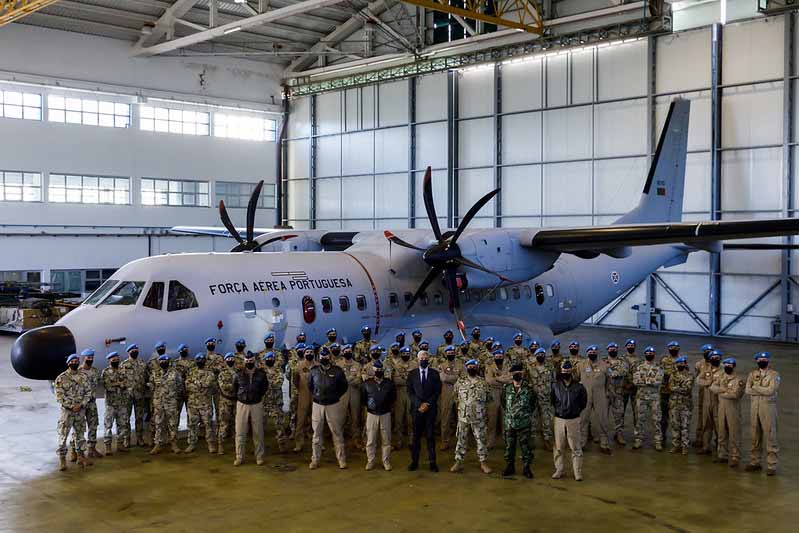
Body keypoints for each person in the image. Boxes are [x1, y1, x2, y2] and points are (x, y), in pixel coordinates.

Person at [308, 348, 349, 469]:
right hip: (318, 405)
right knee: (316, 433)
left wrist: (334, 396)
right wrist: (317, 395)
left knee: (337, 432)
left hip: (333, 405)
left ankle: (341, 459)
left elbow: (343, 387)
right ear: (319, 357)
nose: (324, 359)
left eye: (326, 357)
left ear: (330, 358)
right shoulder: (314, 371)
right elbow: (310, 386)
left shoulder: (337, 371)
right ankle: (315, 460)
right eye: (322, 357)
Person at [451, 359, 492, 474]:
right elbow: (455, 397)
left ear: (477, 368)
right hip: (463, 417)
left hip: (479, 417)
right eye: (469, 366)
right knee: (461, 440)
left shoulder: (483, 383)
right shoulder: (460, 382)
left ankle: (483, 462)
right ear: (466, 368)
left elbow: (489, 399)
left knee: (481, 440)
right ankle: (458, 462)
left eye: (474, 366)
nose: (472, 368)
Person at [745, 352, 780, 476]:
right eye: (760, 359)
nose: (762, 361)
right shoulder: (752, 374)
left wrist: (756, 387)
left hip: (768, 408)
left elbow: (771, 391)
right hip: (754, 408)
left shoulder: (774, 375)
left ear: (768, 361)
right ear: (757, 361)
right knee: (755, 435)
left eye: (764, 359)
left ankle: (772, 465)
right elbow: (747, 390)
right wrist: (760, 390)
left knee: (770, 435)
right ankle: (755, 462)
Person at [551, 361, 587, 481]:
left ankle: (577, 472)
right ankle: (559, 470)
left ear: (572, 371)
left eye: (568, 370)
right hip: (559, 419)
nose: (566, 373)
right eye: (563, 371)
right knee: (559, 447)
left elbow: (583, 403)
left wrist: (574, 411)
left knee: (576, 447)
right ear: (561, 371)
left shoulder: (579, 386)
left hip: (573, 420)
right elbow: (553, 401)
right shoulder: (555, 386)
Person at [55, 354, 92, 470]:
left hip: (80, 411)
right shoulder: (61, 378)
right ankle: (62, 460)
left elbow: (88, 392)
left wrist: (81, 404)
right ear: (68, 363)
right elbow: (59, 396)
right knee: (63, 436)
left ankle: (81, 457)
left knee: (80, 436)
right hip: (67, 413)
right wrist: (71, 406)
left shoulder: (83, 377)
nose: (75, 363)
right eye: (72, 361)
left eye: (76, 361)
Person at [232, 352, 269, 466]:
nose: (249, 363)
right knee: (240, 432)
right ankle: (239, 457)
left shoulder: (261, 374)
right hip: (242, 404)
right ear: (244, 361)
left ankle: (259, 457)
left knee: (258, 432)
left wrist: (257, 397)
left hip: (256, 404)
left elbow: (264, 388)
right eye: (247, 361)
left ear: (255, 361)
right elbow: (235, 388)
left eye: (251, 360)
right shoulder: (238, 374)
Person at [407, 350, 441, 472]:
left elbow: (437, 391)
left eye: (425, 358)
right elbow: (410, 392)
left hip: (430, 410)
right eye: (421, 358)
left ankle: (432, 462)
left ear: (429, 359)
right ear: (417, 359)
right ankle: (414, 461)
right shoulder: (412, 374)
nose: (423, 360)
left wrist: (427, 403)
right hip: (416, 410)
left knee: (431, 436)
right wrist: (419, 404)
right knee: (416, 437)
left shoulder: (435, 374)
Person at [502, 363, 536, 479]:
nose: (517, 375)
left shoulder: (529, 388)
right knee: (509, 446)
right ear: (511, 374)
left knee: (526, 446)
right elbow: (503, 403)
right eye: (515, 373)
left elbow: (533, 404)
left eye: (519, 373)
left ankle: (526, 467)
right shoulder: (506, 388)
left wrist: (524, 414)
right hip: (510, 423)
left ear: (523, 373)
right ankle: (510, 466)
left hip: (524, 422)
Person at [361, 360, 397, 471]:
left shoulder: (389, 383)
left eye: (381, 370)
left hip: (385, 414)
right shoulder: (367, 383)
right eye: (377, 370)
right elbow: (363, 399)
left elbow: (393, 398)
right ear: (373, 371)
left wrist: (386, 405)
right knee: (371, 440)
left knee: (386, 440)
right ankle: (370, 461)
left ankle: (385, 461)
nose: (379, 372)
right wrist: (370, 406)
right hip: (372, 414)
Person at [711, 357, 745, 467]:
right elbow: (712, 387)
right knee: (721, 432)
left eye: (730, 365)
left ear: (733, 366)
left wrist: (721, 392)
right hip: (722, 408)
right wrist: (725, 390)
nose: (727, 367)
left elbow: (736, 395)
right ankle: (722, 455)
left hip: (733, 410)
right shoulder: (721, 377)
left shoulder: (738, 380)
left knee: (734, 434)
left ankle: (735, 457)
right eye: (726, 365)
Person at [577, 345, 611, 454]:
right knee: (583, 419)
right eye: (590, 350)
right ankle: (581, 443)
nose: (593, 352)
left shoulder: (604, 365)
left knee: (602, 419)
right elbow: (576, 379)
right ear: (587, 352)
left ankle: (604, 444)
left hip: (600, 395)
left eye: (595, 351)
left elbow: (609, 381)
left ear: (598, 353)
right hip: (585, 395)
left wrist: (606, 393)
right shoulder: (581, 365)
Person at [148, 353, 183, 455]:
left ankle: (174, 444)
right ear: (159, 363)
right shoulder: (155, 373)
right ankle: (158, 444)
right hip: (159, 403)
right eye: (162, 362)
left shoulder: (175, 373)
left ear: (169, 362)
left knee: (173, 424)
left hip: (171, 403)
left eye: (166, 361)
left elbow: (180, 387)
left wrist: (173, 396)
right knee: (158, 424)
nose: (164, 363)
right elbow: (151, 386)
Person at [632, 346, 664, 451]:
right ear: (645, 354)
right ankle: (638, 440)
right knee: (639, 420)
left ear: (654, 355)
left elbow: (658, 381)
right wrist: (650, 380)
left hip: (654, 398)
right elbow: (636, 381)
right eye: (648, 353)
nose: (650, 355)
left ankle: (658, 441)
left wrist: (644, 380)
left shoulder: (659, 367)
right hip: (641, 397)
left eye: (651, 353)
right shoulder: (639, 367)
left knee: (656, 420)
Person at [184, 353, 217, 454]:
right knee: (192, 425)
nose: (200, 361)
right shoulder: (191, 372)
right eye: (198, 360)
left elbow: (208, 384)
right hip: (193, 404)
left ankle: (210, 444)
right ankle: (192, 444)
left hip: (205, 404)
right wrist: (200, 385)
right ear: (196, 361)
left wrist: (195, 384)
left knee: (208, 424)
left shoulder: (210, 373)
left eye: (202, 360)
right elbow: (187, 385)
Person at [72, 348, 101, 460]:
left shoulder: (95, 371)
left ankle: (91, 448)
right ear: (83, 358)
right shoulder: (77, 371)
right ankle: (74, 450)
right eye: (88, 358)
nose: (90, 359)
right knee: (78, 428)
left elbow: (96, 384)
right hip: (80, 404)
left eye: (92, 358)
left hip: (92, 403)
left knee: (93, 425)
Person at [101, 351, 130, 455]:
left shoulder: (123, 370)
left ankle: (120, 444)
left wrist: (117, 384)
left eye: (117, 360)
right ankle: (108, 446)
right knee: (108, 425)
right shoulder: (106, 372)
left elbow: (127, 383)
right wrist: (119, 384)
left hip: (122, 402)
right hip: (111, 404)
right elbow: (108, 386)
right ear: (109, 361)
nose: (116, 361)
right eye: (113, 360)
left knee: (122, 424)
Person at [435, 344, 462, 451]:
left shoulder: (461, 365)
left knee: (461, 419)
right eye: (448, 353)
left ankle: (462, 442)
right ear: (445, 354)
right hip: (446, 393)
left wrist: (448, 378)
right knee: (445, 419)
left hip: (459, 392)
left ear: (455, 353)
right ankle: (445, 442)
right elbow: (442, 378)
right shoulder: (441, 365)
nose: (450, 354)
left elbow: (463, 378)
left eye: (452, 353)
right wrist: (455, 377)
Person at [526, 347, 554, 450]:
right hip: (533, 397)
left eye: (543, 354)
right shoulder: (530, 367)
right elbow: (526, 381)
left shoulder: (550, 367)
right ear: (535, 356)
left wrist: (553, 395)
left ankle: (547, 440)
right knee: (532, 419)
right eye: (539, 354)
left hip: (546, 397)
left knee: (546, 419)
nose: (541, 356)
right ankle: (532, 440)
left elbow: (553, 382)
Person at [261, 351, 288, 453]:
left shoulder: (278, 371)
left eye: (271, 359)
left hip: (276, 403)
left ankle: (282, 445)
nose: (269, 360)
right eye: (267, 359)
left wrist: (265, 384)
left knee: (279, 425)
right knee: (260, 426)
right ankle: (260, 446)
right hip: (263, 403)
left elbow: (278, 383)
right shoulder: (262, 371)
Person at [485, 348, 512, 450]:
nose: (499, 358)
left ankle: (507, 442)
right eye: (497, 357)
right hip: (493, 393)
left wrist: (496, 378)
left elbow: (510, 380)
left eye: (500, 357)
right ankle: (490, 442)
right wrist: (501, 379)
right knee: (492, 418)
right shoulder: (489, 367)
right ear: (494, 357)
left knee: (505, 418)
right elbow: (489, 381)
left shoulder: (508, 366)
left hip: (505, 393)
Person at [121, 344, 147, 447]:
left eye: (136, 350)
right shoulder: (124, 365)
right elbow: (120, 378)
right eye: (133, 350)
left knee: (139, 417)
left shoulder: (142, 364)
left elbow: (146, 377)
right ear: (129, 352)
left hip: (139, 395)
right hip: (127, 396)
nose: (135, 351)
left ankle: (139, 438)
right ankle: (127, 439)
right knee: (126, 418)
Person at [697, 349, 723, 456]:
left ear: (720, 359)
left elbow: (723, 387)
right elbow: (698, 380)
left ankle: (721, 449)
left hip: (718, 402)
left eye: (717, 358)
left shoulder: (724, 371)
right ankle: (706, 447)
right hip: (707, 401)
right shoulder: (706, 370)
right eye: (713, 358)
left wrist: (710, 386)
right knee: (706, 425)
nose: (715, 359)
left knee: (719, 427)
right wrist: (708, 382)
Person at [339, 344, 363, 450]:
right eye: (345, 351)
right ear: (342, 352)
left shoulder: (358, 365)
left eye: (349, 350)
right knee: (341, 418)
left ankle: (356, 440)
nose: (347, 352)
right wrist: (351, 378)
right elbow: (338, 380)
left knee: (355, 417)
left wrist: (347, 380)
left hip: (355, 394)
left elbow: (359, 380)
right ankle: (340, 441)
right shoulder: (338, 365)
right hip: (342, 394)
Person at [391, 346, 416, 449]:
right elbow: (396, 381)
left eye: (407, 353)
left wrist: (405, 379)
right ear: (401, 354)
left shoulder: (415, 365)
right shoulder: (397, 366)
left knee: (411, 419)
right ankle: (399, 441)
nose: (406, 355)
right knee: (399, 419)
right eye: (404, 354)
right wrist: (408, 380)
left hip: (411, 394)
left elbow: (416, 380)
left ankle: (411, 441)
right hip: (400, 394)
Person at [292, 345, 316, 452]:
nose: (309, 354)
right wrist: (301, 389)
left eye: (311, 352)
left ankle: (318, 442)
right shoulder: (299, 366)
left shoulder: (318, 366)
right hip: (303, 395)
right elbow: (295, 380)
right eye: (307, 352)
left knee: (317, 421)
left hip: (316, 396)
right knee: (300, 420)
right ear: (304, 354)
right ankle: (298, 443)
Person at [669, 356, 694, 455]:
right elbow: (670, 387)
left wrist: (676, 388)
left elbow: (687, 389)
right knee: (675, 425)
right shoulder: (673, 375)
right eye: (678, 363)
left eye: (682, 363)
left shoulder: (690, 375)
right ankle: (676, 445)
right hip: (674, 404)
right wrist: (679, 387)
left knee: (685, 426)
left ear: (685, 364)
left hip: (685, 405)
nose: (680, 365)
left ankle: (685, 446)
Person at [606, 342, 629, 445]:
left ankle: (619, 434)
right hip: (605, 393)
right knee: (603, 415)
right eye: (611, 348)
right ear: (607, 350)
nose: (613, 350)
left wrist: (610, 372)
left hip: (618, 393)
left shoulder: (623, 362)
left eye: (614, 348)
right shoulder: (602, 361)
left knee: (619, 415)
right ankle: (603, 435)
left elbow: (623, 372)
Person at [216, 353, 238, 455]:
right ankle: (221, 445)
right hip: (225, 402)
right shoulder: (222, 373)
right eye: (228, 358)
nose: (230, 360)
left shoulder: (238, 372)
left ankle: (236, 444)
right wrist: (234, 385)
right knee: (224, 424)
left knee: (236, 424)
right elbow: (223, 386)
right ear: (225, 361)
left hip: (236, 401)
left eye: (232, 358)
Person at [693, 343, 714, 447]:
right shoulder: (699, 364)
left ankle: (717, 441)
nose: (708, 353)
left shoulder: (717, 363)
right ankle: (699, 438)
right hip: (703, 393)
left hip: (714, 393)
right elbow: (697, 378)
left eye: (710, 351)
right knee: (701, 415)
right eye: (706, 351)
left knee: (715, 417)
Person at [659, 341, 680, 441]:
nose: (673, 349)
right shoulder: (664, 360)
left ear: (678, 349)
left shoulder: (682, 361)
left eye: (675, 347)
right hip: (664, 393)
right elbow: (659, 374)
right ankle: (662, 436)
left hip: (676, 394)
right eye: (671, 347)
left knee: (676, 417)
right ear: (668, 348)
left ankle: (677, 439)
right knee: (663, 417)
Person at [622, 338, 639, 432]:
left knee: (636, 412)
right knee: (621, 412)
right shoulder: (621, 359)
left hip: (634, 389)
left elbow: (640, 374)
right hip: (623, 389)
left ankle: (637, 434)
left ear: (635, 347)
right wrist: (624, 384)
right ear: (626, 347)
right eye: (629, 346)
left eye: (632, 346)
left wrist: (632, 383)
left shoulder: (639, 360)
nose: (630, 347)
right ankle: (619, 433)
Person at [174, 343, 193, 423]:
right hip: (179, 392)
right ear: (180, 351)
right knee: (176, 413)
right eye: (183, 350)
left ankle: (191, 433)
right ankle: (174, 433)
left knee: (191, 413)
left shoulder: (192, 362)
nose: (185, 352)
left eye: (186, 350)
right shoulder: (175, 363)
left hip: (189, 392)